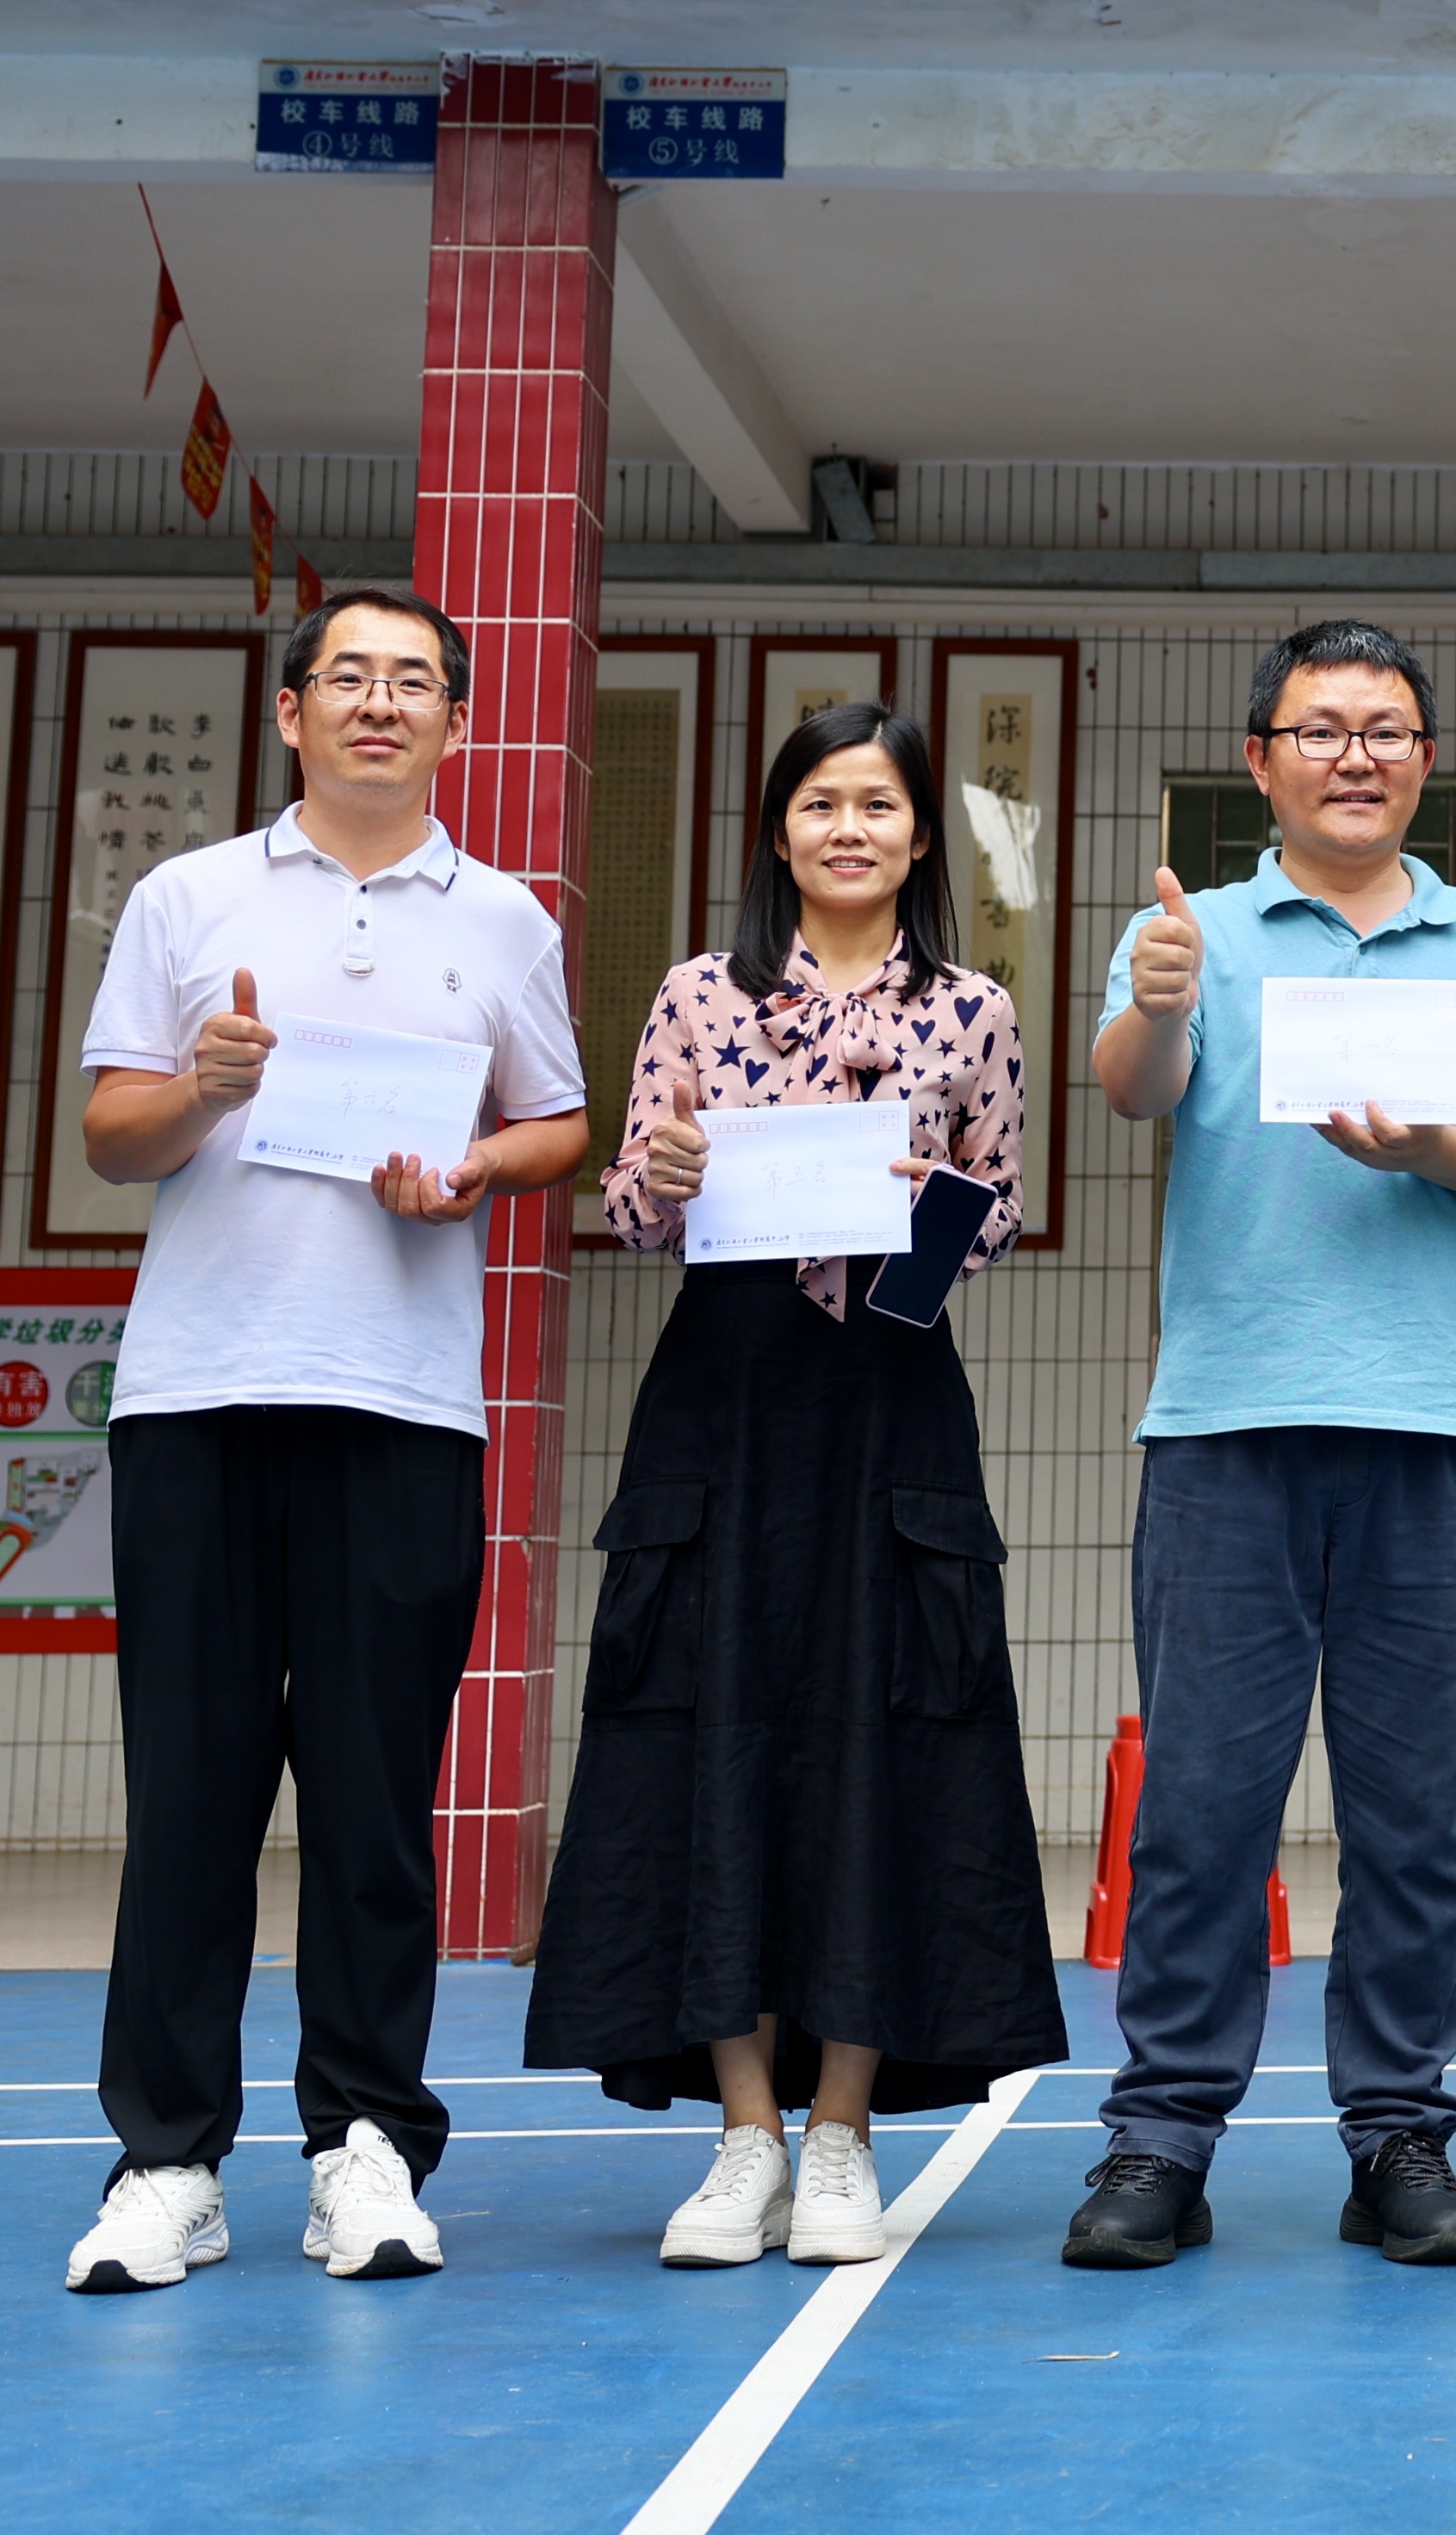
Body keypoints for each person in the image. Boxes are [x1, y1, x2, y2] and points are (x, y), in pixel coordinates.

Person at [62, 588, 588, 2294]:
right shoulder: (188, 895)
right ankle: (167, 2158)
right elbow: (111, 1135)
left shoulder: (503, 921)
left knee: (373, 1802)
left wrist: (477, 1170)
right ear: (290, 711)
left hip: (403, 1405)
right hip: (196, 1397)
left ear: (456, 723)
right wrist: (206, 1085)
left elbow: (558, 1122)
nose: (379, 702)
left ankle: (366, 2143)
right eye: (347, 676)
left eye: (412, 681)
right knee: (190, 1792)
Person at [1066, 621, 1456, 2270]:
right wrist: (1158, 1003)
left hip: (1430, 1433)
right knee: (1202, 1808)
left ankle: (1397, 2134)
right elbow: (1129, 1090)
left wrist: (1441, 1147)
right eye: (1319, 728)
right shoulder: (1194, 930)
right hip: (1223, 1425)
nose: (1353, 754)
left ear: (1424, 760)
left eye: (1384, 728)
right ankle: (1161, 2136)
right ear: (1261, 760)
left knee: (1416, 1815)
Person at [521, 702, 1067, 2265]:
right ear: (777, 829)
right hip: (726, 1400)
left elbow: (996, 1212)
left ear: (918, 834)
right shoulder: (701, 991)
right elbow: (633, 1206)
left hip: (889, 1396)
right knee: (716, 1737)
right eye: (820, 802)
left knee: (881, 1745)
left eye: (878, 804)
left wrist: (931, 1204)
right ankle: (744, 2134)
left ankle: (842, 2131)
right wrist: (664, 1175)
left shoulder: (974, 1007)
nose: (848, 829)